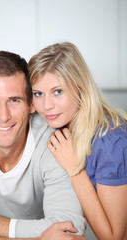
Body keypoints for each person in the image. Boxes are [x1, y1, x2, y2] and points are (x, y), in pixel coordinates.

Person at [0, 51, 86, 240]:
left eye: (14, 100)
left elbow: (69, 230)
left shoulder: (55, 142)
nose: (3, 116)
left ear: (31, 103)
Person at [28, 42, 127, 240]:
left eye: (58, 91)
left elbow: (114, 237)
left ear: (80, 87)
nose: (47, 106)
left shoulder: (110, 141)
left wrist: (75, 169)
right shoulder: (62, 122)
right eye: (38, 93)